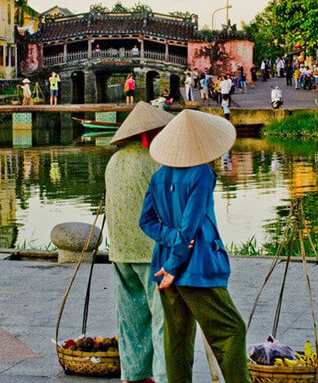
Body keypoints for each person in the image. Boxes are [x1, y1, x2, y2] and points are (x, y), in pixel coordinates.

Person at [140, 110, 250, 383]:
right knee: (231, 330)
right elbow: (190, 227)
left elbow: (147, 222)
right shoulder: (201, 173)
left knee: (177, 337)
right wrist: (175, 261)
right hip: (194, 266)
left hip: (166, 266)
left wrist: (170, 241)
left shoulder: (159, 176)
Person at [106, 102, 174, 383]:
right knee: (162, 320)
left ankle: (133, 375)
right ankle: (161, 376)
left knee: (131, 320)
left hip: (120, 250)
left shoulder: (115, 160)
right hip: (151, 252)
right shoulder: (154, 161)